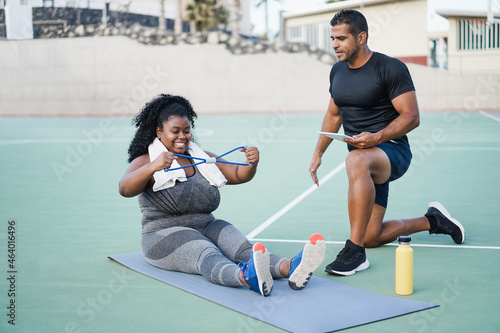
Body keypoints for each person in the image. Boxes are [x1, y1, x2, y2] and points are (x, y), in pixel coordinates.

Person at [119, 94, 326, 296]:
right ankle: (246, 277)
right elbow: (125, 188)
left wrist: (251, 163)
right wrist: (153, 167)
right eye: (175, 131)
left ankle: (289, 268)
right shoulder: (147, 160)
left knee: (241, 247)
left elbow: (238, 174)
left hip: (207, 224)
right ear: (159, 131)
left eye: (187, 130)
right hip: (162, 234)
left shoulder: (202, 157)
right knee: (205, 251)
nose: (183, 136)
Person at [308, 10, 465, 277]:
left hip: (392, 151)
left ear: (361, 37)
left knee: (355, 159)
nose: (334, 44)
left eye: (341, 38)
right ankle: (433, 221)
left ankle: (355, 252)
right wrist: (318, 152)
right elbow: (334, 114)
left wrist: (376, 137)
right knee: (372, 235)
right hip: (365, 165)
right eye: (332, 38)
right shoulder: (337, 71)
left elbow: (412, 116)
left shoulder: (390, 68)